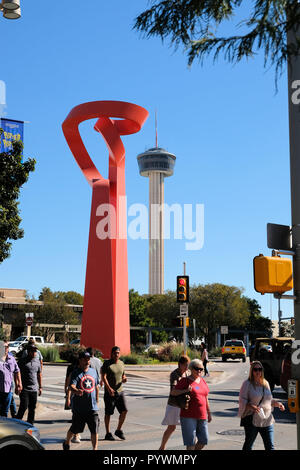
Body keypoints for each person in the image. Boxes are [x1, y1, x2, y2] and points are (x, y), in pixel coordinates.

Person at [238, 360, 285, 450]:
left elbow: (269, 400)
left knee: (270, 447)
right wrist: (251, 406)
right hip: (252, 420)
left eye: (260, 369)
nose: (258, 372)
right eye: (255, 370)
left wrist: (278, 404)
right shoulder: (247, 384)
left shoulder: (265, 383)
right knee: (248, 445)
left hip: (266, 419)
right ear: (252, 371)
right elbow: (241, 401)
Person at [63, 351, 100, 451]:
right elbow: (71, 386)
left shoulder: (93, 371)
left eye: (88, 359)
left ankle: (95, 448)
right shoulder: (75, 372)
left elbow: (96, 386)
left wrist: (97, 399)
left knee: (94, 429)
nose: (87, 361)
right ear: (80, 360)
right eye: (85, 359)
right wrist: (76, 391)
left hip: (92, 407)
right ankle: (66, 442)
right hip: (79, 408)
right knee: (75, 429)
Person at [172, 358, 212, 450]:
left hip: (202, 415)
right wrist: (185, 390)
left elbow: (206, 397)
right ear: (191, 368)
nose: (199, 371)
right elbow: (173, 392)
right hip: (188, 416)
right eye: (197, 368)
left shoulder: (202, 381)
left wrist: (209, 413)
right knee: (191, 442)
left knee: (204, 439)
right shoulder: (185, 381)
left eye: (201, 369)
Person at [159, 355, 190, 450]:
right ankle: (162, 447)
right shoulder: (174, 374)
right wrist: (186, 391)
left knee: (189, 427)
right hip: (174, 405)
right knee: (171, 427)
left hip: (184, 405)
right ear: (180, 364)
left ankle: (190, 447)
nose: (187, 367)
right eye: (185, 365)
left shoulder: (187, 374)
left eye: (188, 365)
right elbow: (173, 391)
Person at [101, 346, 128, 441]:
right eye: (115, 353)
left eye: (118, 353)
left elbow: (123, 375)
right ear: (111, 354)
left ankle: (118, 430)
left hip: (120, 391)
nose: (116, 354)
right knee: (108, 413)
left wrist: (124, 379)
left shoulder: (121, 363)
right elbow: (103, 377)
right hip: (110, 393)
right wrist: (108, 388)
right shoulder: (107, 364)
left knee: (124, 411)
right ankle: (108, 433)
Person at [16, 344, 42, 424]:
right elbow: (16, 373)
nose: (34, 353)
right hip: (24, 389)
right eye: (32, 351)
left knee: (32, 408)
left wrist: (40, 387)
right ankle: (17, 422)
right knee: (24, 406)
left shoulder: (37, 362)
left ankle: (30, 424)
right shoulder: (22, 361)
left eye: (35, 351)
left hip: (34, 389)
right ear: (28, 351)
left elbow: (39, 375)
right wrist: (17, 385)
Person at [0, 340, 22, 417]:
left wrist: (19, 384)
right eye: (3, 347)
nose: (5, 348)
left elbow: (17, 371)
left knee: (5, 411)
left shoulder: (12, 359)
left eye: (7, 347)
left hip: (8, 390)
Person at [64, 354, 81, 443]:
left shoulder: (85, 369)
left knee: (78, 416)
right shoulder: (73, 369)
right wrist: (68, 396)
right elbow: (69, 382)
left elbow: (67, 381)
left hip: (81, 396)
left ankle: (76, 434)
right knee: (76, 416)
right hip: (74, 395)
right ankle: (76, 435)